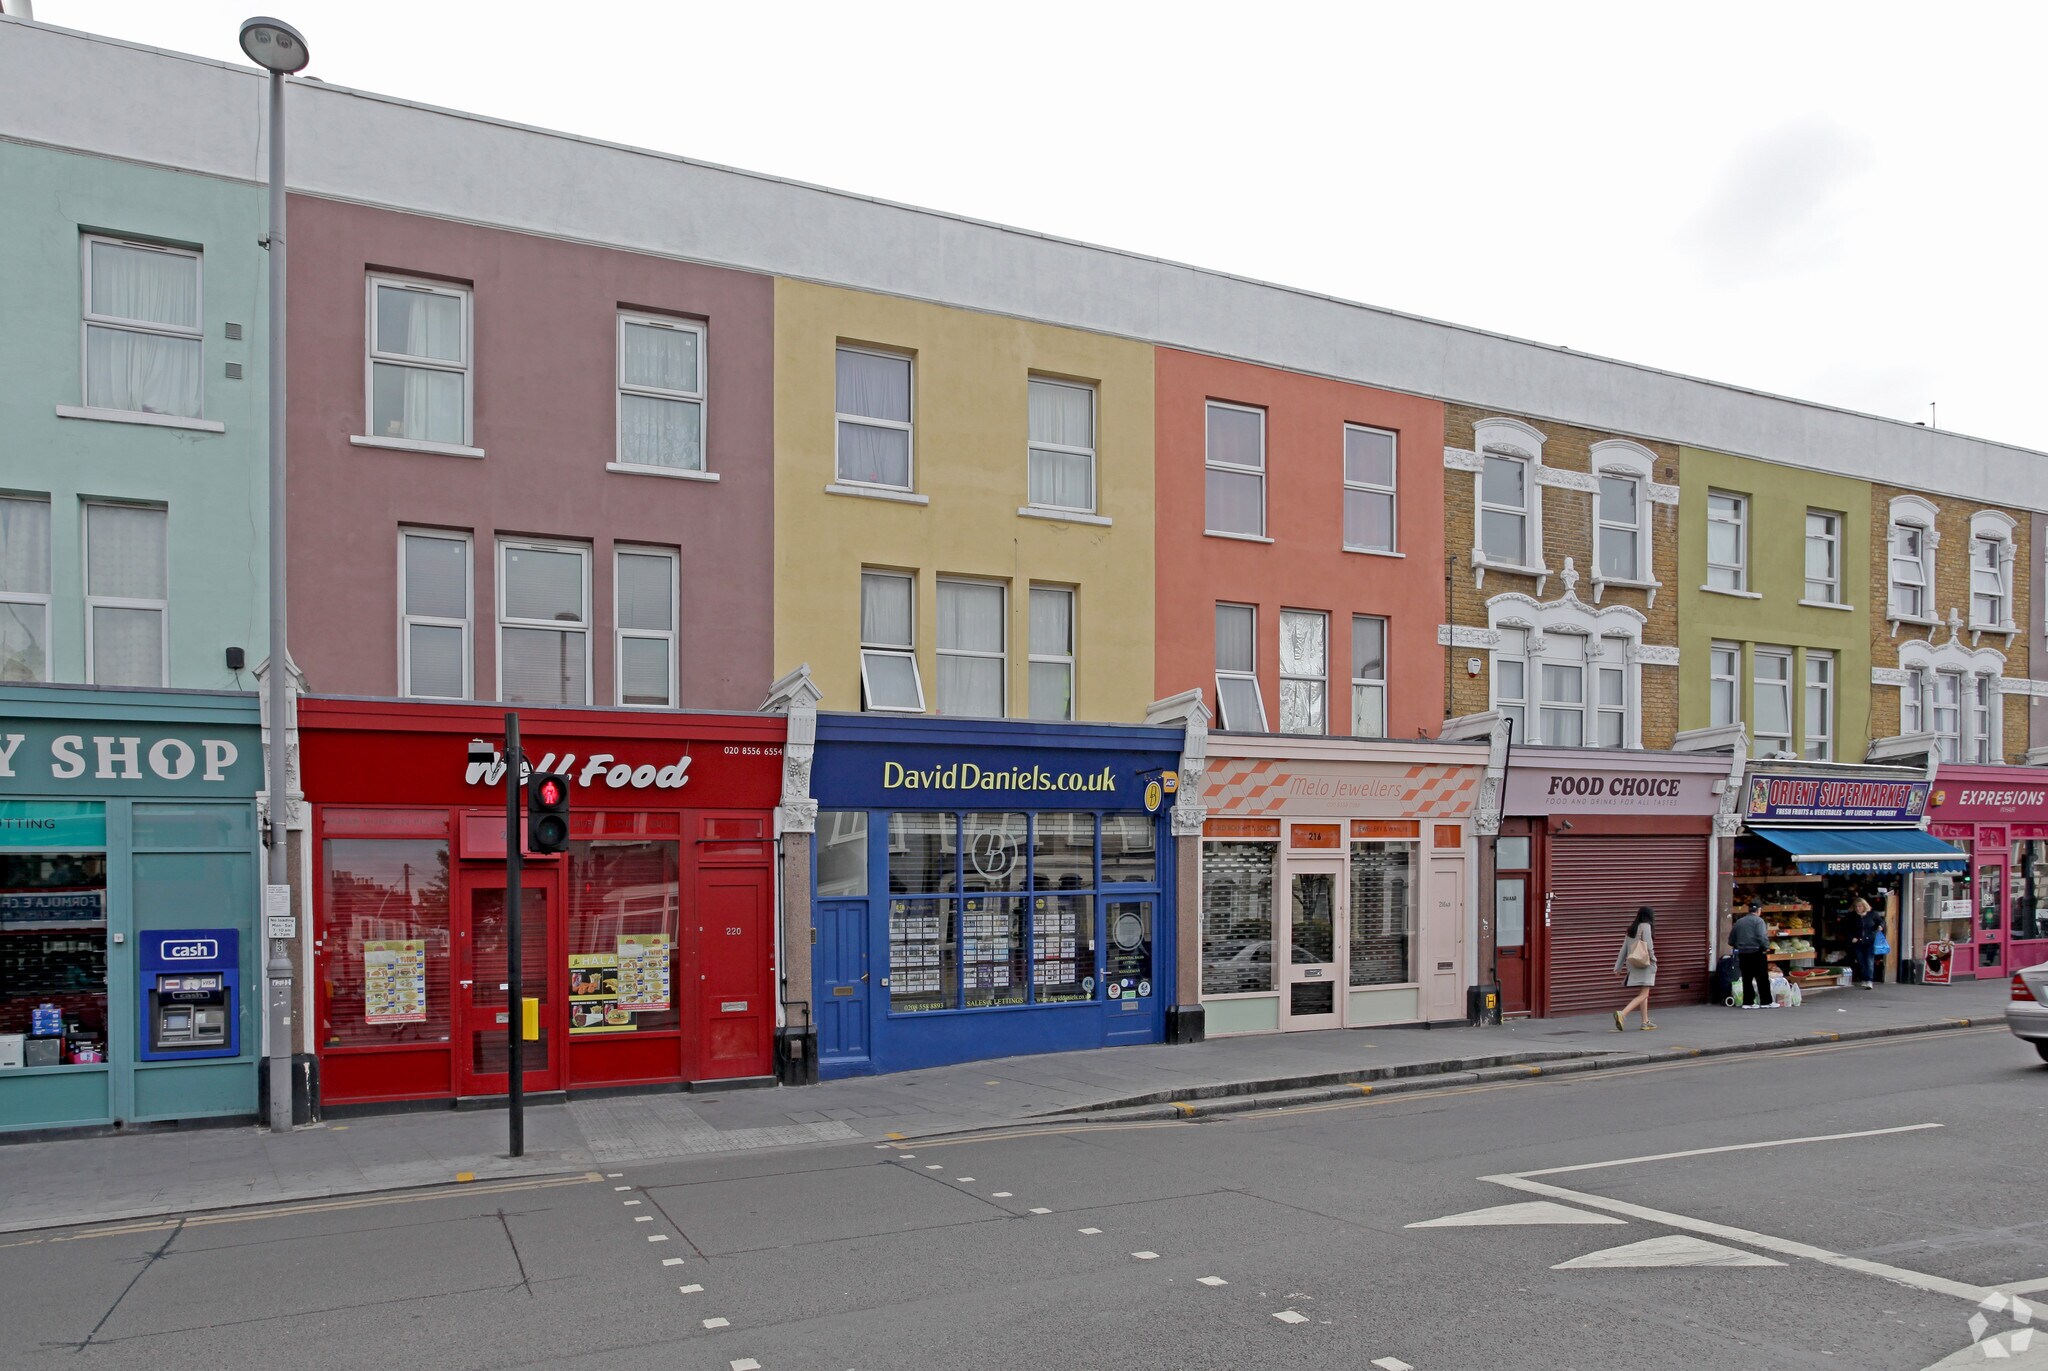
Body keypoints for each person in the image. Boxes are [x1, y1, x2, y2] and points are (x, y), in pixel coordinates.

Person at [1614, 906, 1658, 1031]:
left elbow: (1623, 949)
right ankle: (1622, 1014)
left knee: (1643, 993)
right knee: (1644, 994)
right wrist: (1654, 960)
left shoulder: (1631, 929)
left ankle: (1645, 1021)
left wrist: (1618, 967)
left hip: (1633, 963)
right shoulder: (1646, 926)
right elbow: (1649, 946)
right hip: (1645, 963)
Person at [1730, 900, 1772, 1009]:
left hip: (1743, 954)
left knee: (1746, 978)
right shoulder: (1759, 921)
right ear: (1758, 910)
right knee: (1762, 978)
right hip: (1757, 952)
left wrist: (1739, 946)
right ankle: (1766, 1001)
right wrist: (1766, 947)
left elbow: (1731, 940)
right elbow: (1762, 936)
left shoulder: (1739, 922)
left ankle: (1748, 1002)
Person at [1852, 896, 1883, 989]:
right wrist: (1852, 938)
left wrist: (1880, 926)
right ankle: (1864, 979)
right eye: (1856, 906)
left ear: (1864, 906)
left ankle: (1869, 980)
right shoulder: (1853, 916)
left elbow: (1881, 921)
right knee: (1861, 961)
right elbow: (1848, 928)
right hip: (1858, 942)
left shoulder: (1872, 914)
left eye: (1860, 906)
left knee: (1869, 960)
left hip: (1870, 941)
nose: (1858, 908)